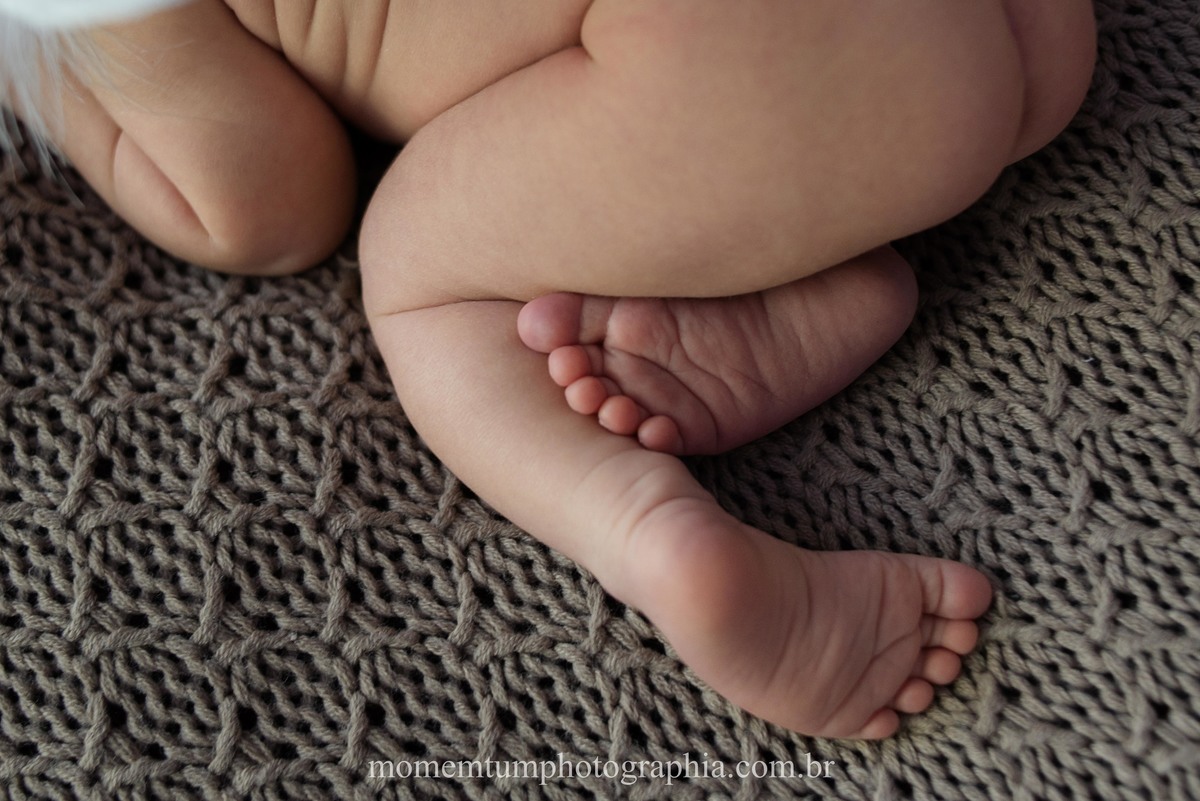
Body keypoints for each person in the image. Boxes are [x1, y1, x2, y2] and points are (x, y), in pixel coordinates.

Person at [1, 0, 1096, 738]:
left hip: (743, 68)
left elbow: (264, 209)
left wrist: (56, 90)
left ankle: (642, 531)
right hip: (1031, 42)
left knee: (419, 273)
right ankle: (784, 285)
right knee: (910, 102)